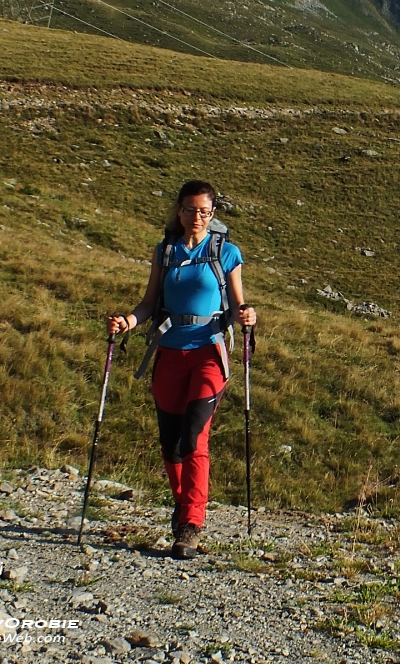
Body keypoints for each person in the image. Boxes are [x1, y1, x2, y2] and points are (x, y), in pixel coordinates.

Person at [107, 180, 257, 559]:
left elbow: (239, 307)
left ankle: (192, 523)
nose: (197, 217)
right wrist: (128, 321)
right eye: (191, 210)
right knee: (171, 445)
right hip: (170, 353)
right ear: (179, 210)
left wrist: (247, 316)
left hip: (209, 352)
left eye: (205, 211)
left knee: (194, 437)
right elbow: (148, 303)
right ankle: (182, 508)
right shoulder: (165, 252)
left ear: (213, 214)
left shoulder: (226, 253)